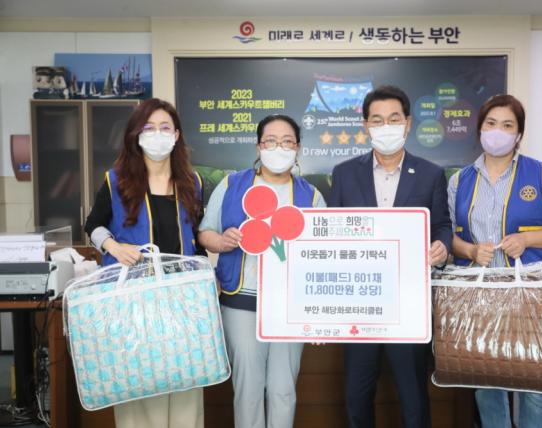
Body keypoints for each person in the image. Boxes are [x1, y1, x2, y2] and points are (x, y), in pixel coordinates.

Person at [448, 94, 542, 428]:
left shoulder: (540, 174)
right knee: (487, 381)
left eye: (507, 125)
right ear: (480, 129)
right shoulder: (460, 180)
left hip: (531, 294)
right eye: (491, 123)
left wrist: (527, 240)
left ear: (519, 134)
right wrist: (470, 251)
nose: (498, 132)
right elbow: (448, 237)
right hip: (479, 297)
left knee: (536, 381)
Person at [329, 85, 452, 428]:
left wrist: (442, 247)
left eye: (394, 119)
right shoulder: (344, 173)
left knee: (413, 396)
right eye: (377, 120)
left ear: (408, 123)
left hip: (407, 301)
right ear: (366, 126)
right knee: (356, 395)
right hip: (358, 301)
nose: (386, 127)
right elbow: (330, 231)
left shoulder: (430, 174)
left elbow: (442, 225)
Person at [198, 114, 326, 428]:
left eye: (287, 142)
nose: (278, 148)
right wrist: (223, 242)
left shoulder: (312, 196)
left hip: (290, 306)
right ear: (258, 146)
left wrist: (318, 313)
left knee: (284, 389)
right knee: (248, 389)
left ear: (297, 148)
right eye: (271, 141)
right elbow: (205, 233)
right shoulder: (232, 185)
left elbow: (323, 256)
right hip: (240, 301)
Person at [84, 98, 205, 428]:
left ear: (176, 135)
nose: (158, 134)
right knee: (141, 381)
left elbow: (196, 238)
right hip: (133, 301)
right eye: (149, 128)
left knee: (184, 379)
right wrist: (113, 245)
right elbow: (93, 225)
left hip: (182, 300)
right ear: (136, 135)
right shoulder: (116, 180)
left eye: (165, 127)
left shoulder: (192, 183)